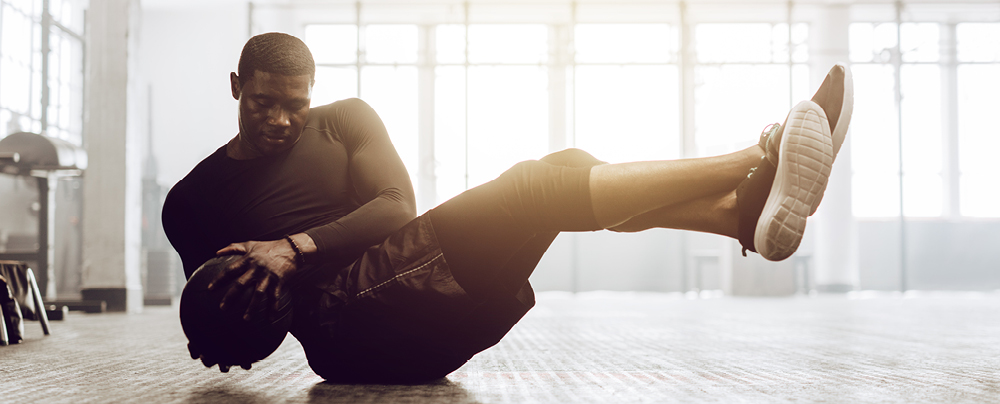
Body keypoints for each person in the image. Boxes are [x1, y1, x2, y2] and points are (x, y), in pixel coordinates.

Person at [162, 32, 852, 383]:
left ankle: (744, 215)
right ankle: (760, 156)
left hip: (404, 293)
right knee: (539, 187)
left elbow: (397, 208)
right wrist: (224, 337)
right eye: (263, 103)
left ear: (313, 95)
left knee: (565, 173)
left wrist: (293, 246)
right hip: (344, 332)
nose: (282, 119)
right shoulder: (193, 203)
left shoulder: (344, 123)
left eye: (295, 104)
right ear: (235, 88)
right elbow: (223, 319)